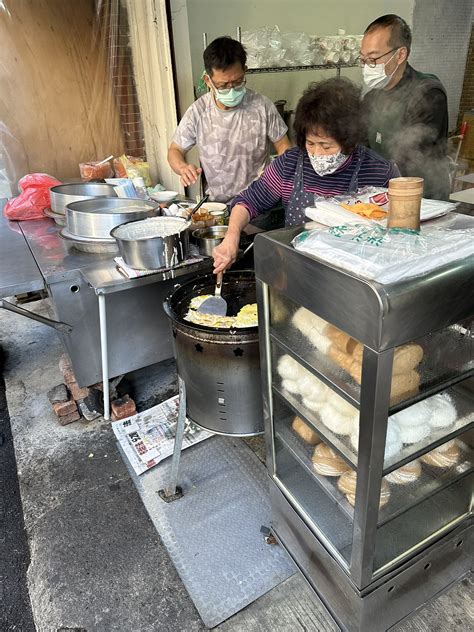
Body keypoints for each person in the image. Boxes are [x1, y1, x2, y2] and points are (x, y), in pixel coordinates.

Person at [212, 77, 400, 274]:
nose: (317, 153)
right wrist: (231, 237)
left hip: (355, 277)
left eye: (326, 146)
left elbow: (400, 228)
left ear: (350, 141)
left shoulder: (378, 171)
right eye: (311, 144)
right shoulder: (290, 164)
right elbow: (247, 202)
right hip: (296, 273)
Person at [167, 36, 291, 203]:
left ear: (245, 70)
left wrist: (276, 173)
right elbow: (175, 151)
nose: (232, 89)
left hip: (260, 203)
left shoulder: (262, 106)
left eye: (238, 81)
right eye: (223, 85)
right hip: (218, 206)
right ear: (208, 80)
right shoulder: (199, 111)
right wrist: (182, 168)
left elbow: (284, 146)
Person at [360, 14, 450, 200]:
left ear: (400, 55)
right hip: (382, 193)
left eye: (374, 59)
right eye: (364, 59)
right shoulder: (371, 98)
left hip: (422, 199)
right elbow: (362, 147)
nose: (368, 66)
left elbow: (410, 158)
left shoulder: (427, 93)